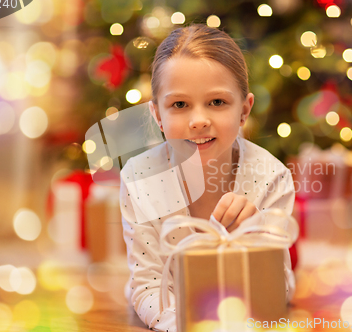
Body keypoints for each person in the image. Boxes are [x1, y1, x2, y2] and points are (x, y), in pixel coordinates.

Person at [120, 24, 298, 332]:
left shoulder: (271, 177)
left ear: (244, 110)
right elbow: (147, 283)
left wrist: (255, 240)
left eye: (217, 102)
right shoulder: (139, 178)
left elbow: (279, 290)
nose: (199, 120)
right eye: (179, 105)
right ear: (157, 115)